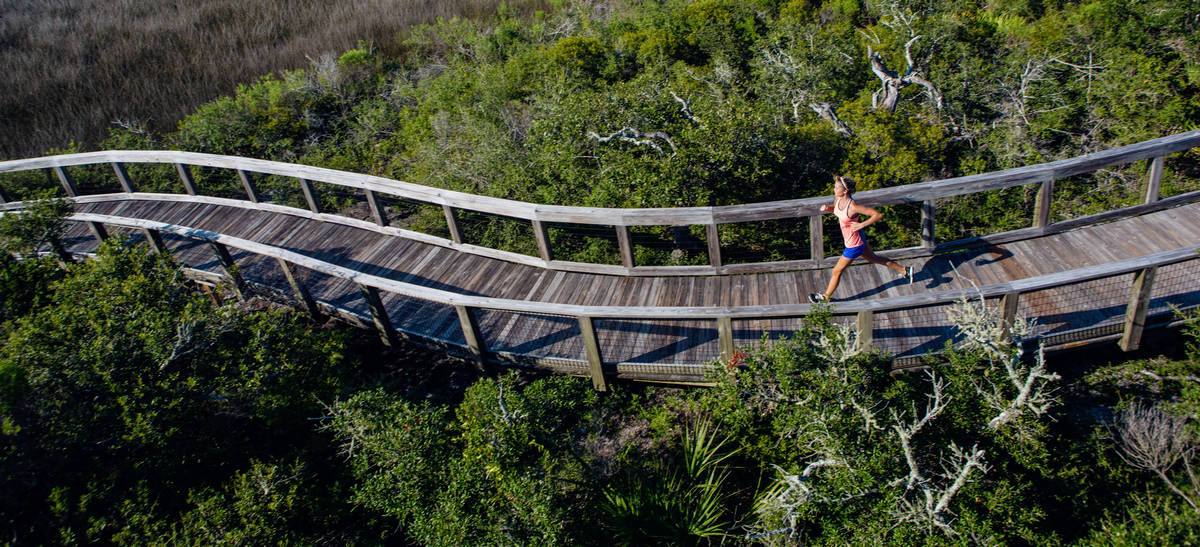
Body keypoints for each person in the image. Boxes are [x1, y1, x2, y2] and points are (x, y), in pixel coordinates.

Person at [808, 175, 913, 303]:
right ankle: (905, 270)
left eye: (837, 188)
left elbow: (877, 215)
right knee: (874, 258)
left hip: (854, 245)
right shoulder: (838, 199)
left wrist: (861, 225)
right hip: (856, 239)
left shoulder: (853, 207)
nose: (834, 190)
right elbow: (837, 211)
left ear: (845, 191)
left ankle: (825, 298)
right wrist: (828, 208)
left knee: (836, 271)